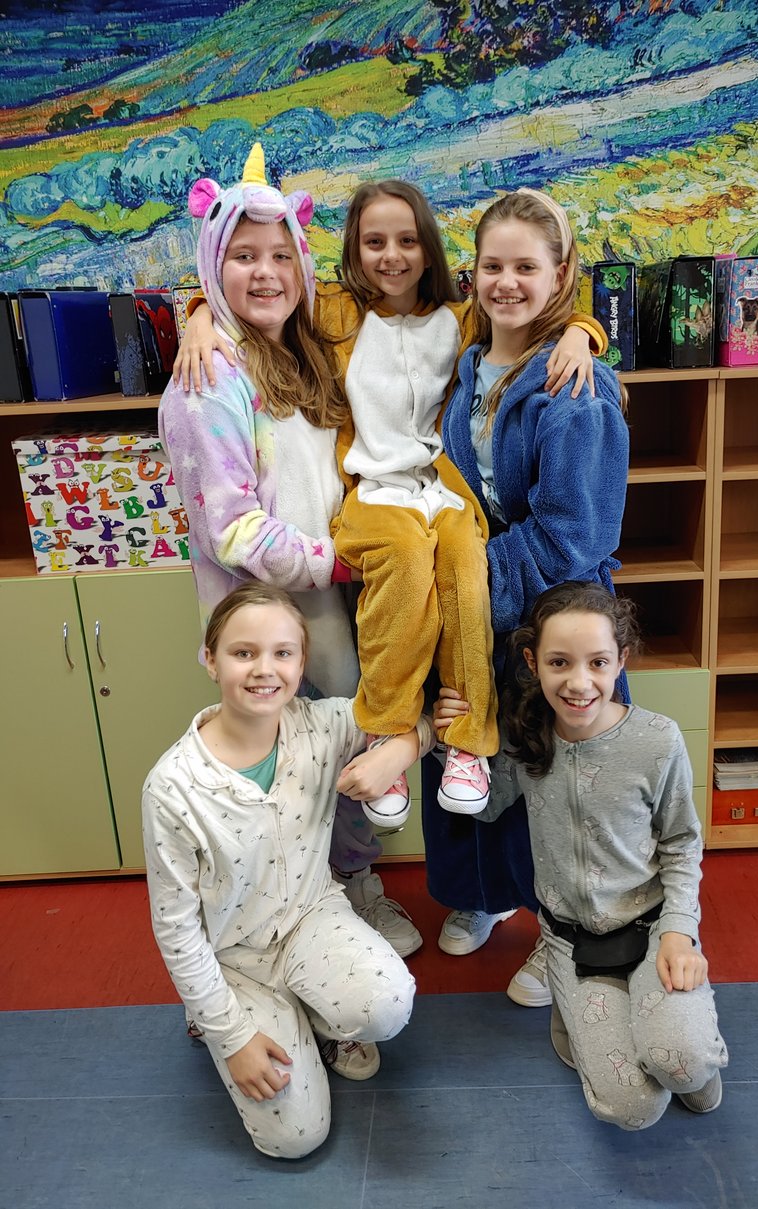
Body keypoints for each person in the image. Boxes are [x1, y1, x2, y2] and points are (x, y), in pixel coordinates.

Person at [174, 177, 606, 966]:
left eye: (407, 240)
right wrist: (199, 312)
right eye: (373, 242)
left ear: (433, 250)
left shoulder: (464, 318)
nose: (392, 255)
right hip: (338, 539)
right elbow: (268, 293)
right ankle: (378, 769)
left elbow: (526, 310)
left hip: (436, 505)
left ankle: (464, 752)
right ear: (350, 252)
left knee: (463, 580)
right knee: (326, 715)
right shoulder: (331, 319)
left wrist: (583, 329)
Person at [160, 146, 422, 958]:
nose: (266, 272)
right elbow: (232, 527)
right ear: (213, 265)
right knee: (287, 769)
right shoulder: (209, 378)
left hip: (335, 601)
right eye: (242, 256)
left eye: (281, 255)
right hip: (269, 614)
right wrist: (337, 560)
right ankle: (294, 915)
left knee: (344, 747)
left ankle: (351, 884)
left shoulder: (304, 349)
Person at [423, 188, 631, 1002]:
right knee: (471, 753)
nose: (505, 282)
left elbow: (575, 534)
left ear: (559, 273)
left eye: (525, 267)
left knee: (554, 781)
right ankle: (485, 894)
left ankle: (565, 932)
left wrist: (465, 573)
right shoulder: (468, 361)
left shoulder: (575, 382)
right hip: (474, 599)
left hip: (550, 609)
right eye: (491, 265)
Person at [143, 582, 433, 1158]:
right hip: (232, 959)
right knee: (295, 1139)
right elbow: (176, 930)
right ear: (210, 659)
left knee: (387, 1003)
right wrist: (233, 1037)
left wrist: (398, 751)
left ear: (302, 664)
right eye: (243, 652)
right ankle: (222, 1016)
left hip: (311, 920)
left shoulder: (322, 726)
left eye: (282, 653)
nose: (264, 669)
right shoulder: (172, 788)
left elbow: (417, 719)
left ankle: (316, 1019)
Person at [437, 581, 728, 1128]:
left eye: (597, 662)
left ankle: (683, 1046)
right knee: (634, 1110)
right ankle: (577, 1018)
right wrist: (453, 744)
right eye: (559, 662)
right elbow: (484, 808)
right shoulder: (525, 741)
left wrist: (679, 932)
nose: (578, 683)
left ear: (621, 660)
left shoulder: (657, 740)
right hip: (571, 942)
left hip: (651, 930)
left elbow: (682, 843)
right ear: (533, 663)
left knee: (687, 1070)